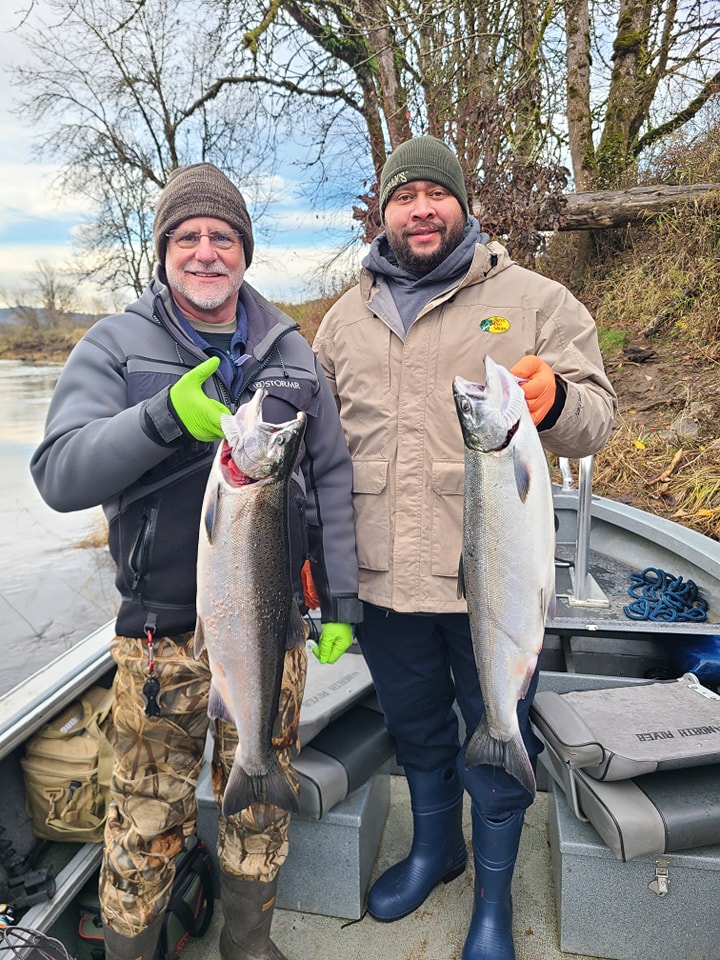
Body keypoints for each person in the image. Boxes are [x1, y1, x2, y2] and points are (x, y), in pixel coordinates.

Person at [31, 162, 362, 960]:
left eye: (223, 237)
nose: (206, 252)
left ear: (245, 250)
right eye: (188, 237)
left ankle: (249, 945)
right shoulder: (115, 345)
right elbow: (59, 474)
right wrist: (161, 417)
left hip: (272, 630)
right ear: (164, 250)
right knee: (145, 820)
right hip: (160, 642)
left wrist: (342, 602)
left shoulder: (292, 350)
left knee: (261, 806)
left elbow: (330, 481)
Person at [312, 136, 617, 960]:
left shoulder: (535, 301)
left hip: (494, 589)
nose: (420, 210)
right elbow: (320, 452)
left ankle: (492, 896)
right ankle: (436, 851)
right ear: (383, 212)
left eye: (435, 194)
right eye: (403, 197)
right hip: (383, 585)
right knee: (417, 733)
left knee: (498, 736)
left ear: (462, 204)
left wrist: (556, 402)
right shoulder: (342, 321)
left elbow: (597, 417)